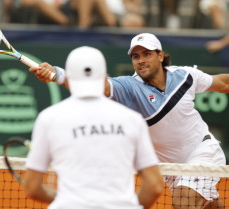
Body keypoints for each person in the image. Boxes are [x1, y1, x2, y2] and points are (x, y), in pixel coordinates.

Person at [29, 33, 228, 209]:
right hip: (171, 168)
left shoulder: (185, 76)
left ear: (160, 55)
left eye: (147, 54)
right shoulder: (130, 87)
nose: (141, 60)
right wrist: (56, 74)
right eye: (136, 56)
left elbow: (222, 83)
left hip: (202, 151)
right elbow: (100, 84)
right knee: (208, 204)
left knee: (184, 200)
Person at [24, 46, 163, 209]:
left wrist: (69, 200)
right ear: (105, 78)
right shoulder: (133, 120)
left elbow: (32, 188)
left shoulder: (48, 118)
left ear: (67, 79)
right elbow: (154, 186)